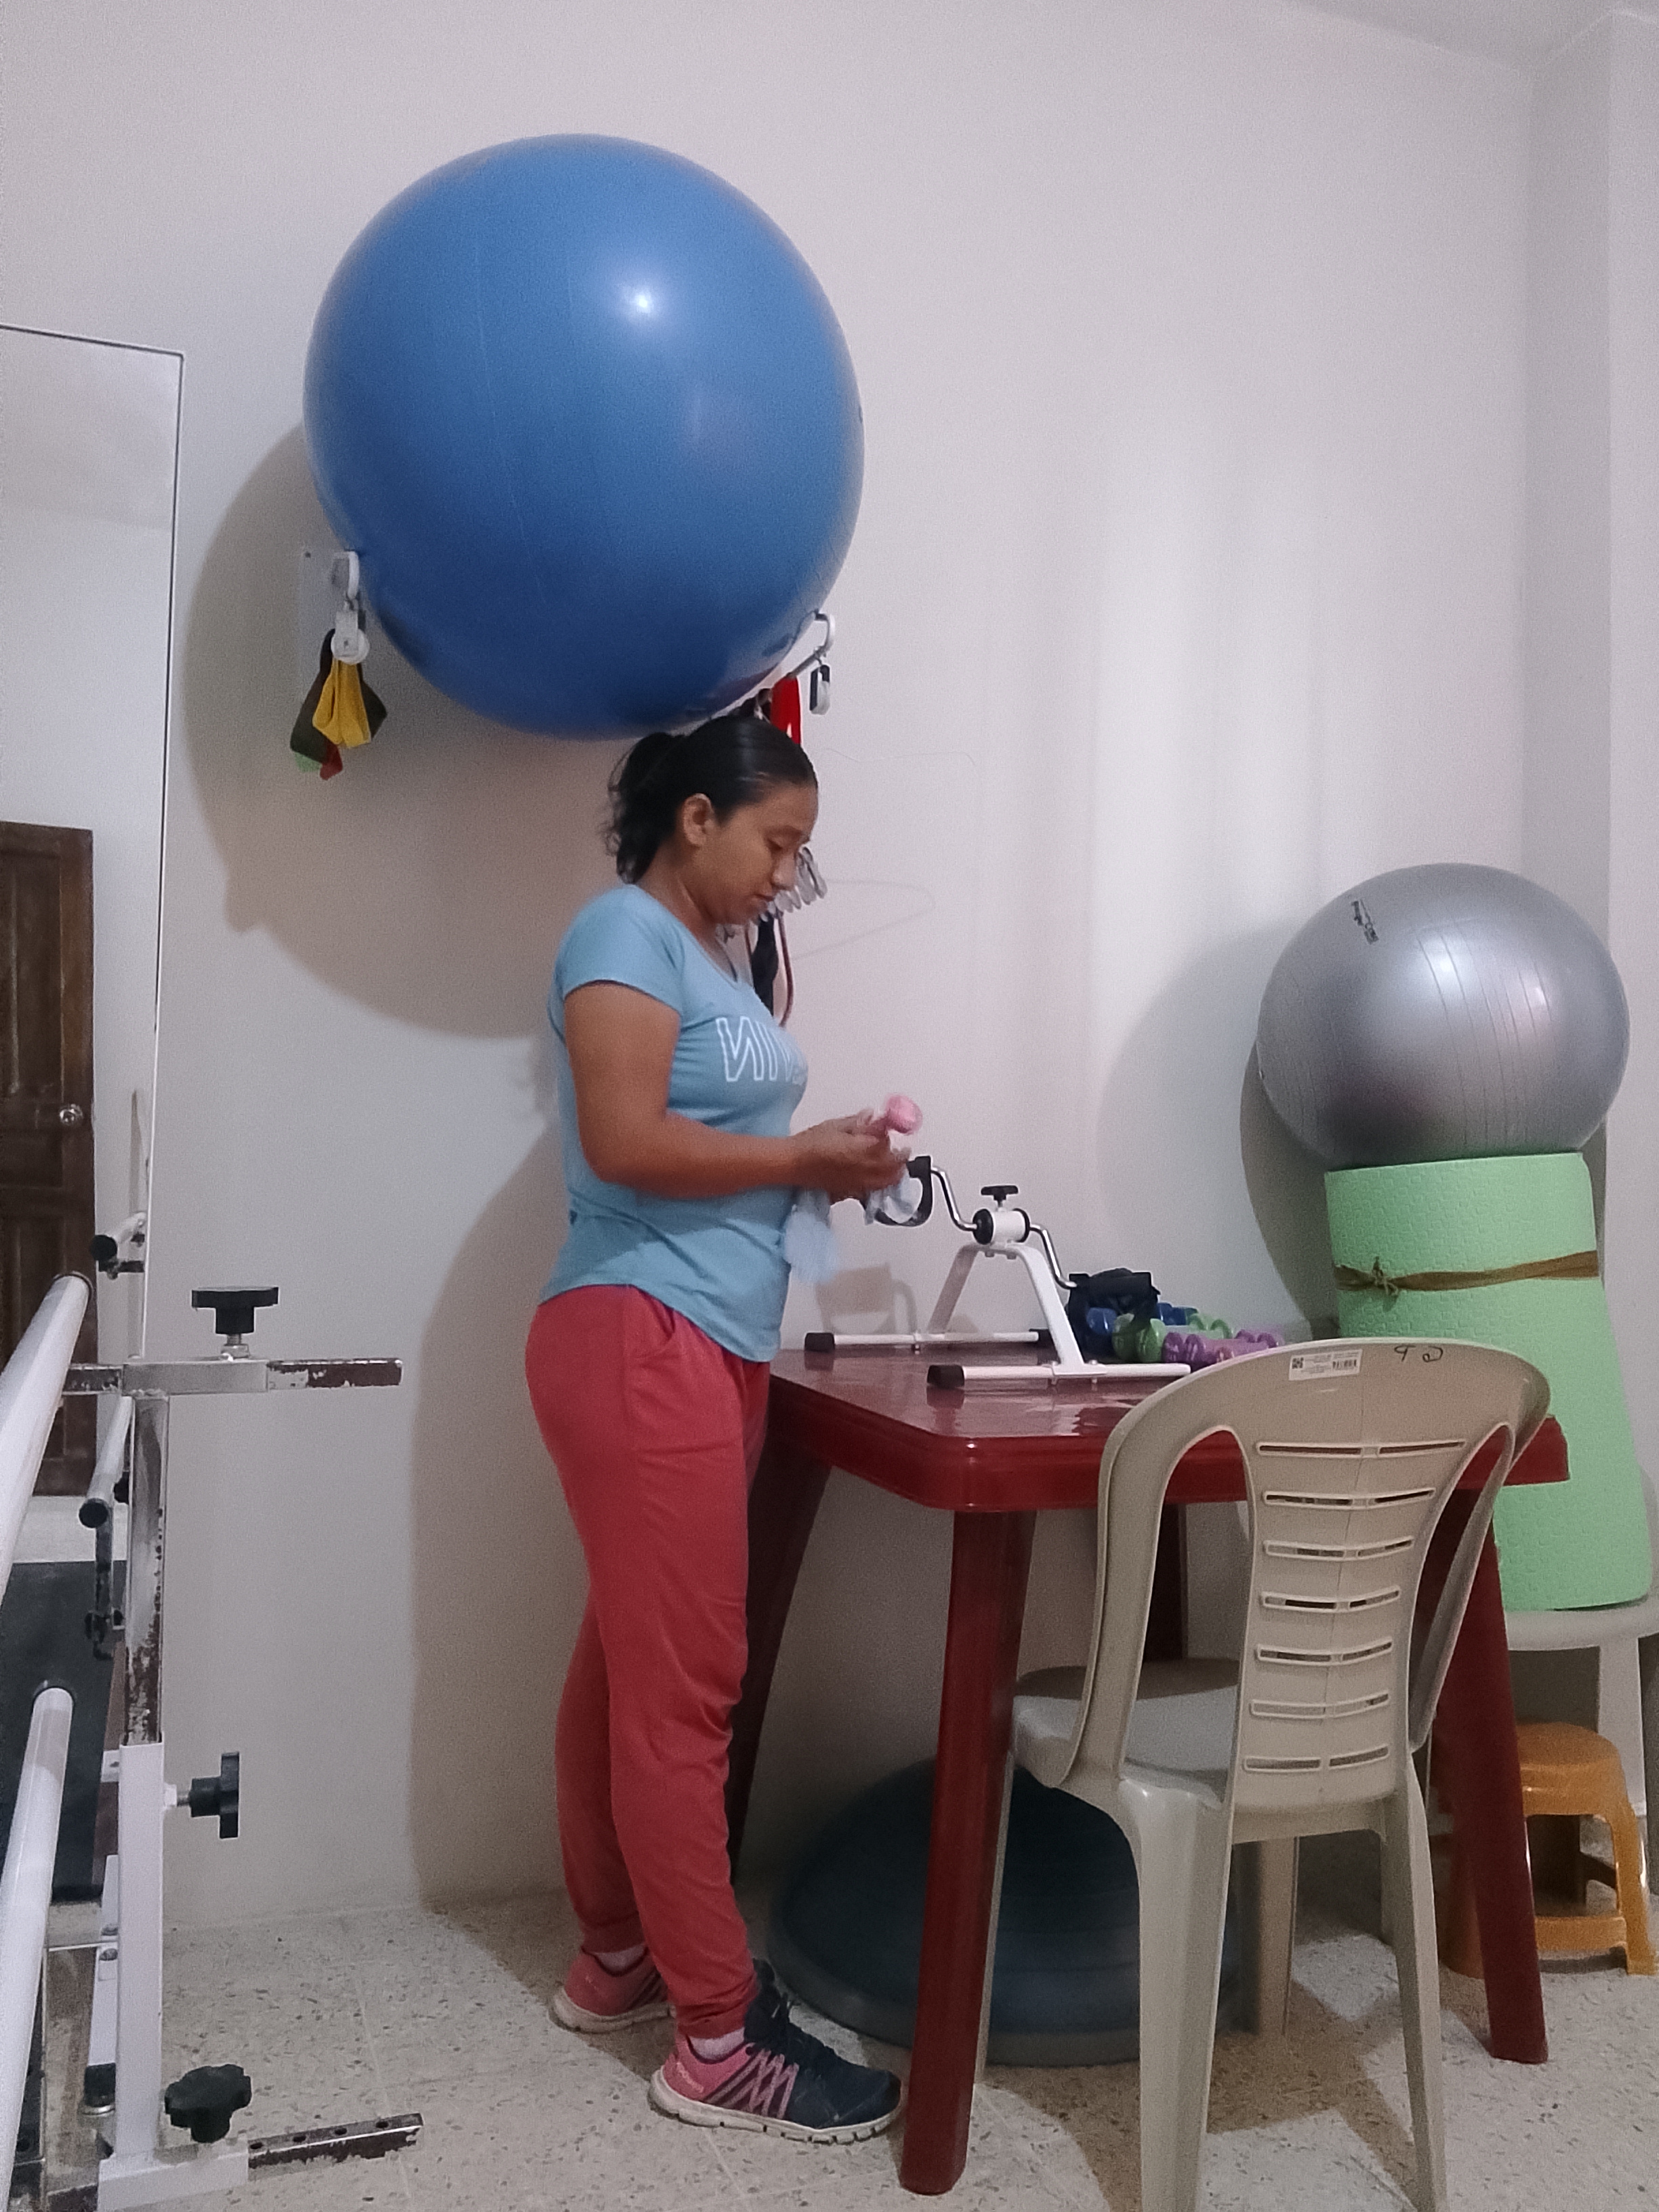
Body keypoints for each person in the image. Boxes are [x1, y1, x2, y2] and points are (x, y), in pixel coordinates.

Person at [525, 706, 906, 2144]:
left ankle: (620, 1955)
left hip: (703, 1340)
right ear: (698, 818)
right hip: (644, 1330)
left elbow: (721, 1143)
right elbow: (624, 1142)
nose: (785, 876)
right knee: (687, 1695)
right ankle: (718, 2039)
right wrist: (800, 1154)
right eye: (777, 843)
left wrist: (824, 1160)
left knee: (631, 1668)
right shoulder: (620, 933)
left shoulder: (716, 958)